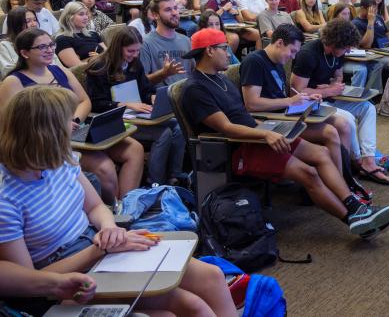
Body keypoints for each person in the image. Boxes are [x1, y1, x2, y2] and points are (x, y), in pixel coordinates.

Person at [0, 86, 235, 316]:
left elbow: (95, 207)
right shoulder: (6, 197)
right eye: (68, 121)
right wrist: (100, 249)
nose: (75, 127)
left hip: (98, 244)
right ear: (44, 133)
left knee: (211, 276)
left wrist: (110, 229)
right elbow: (29, 280)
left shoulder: (61, 160)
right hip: (70, 268)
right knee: (192, 306)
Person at [182, 28, 389, 235]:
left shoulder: (220, 79)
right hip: (241, 147)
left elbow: (242, 115)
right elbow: (226, 128)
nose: (229, 53)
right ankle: (354, 220)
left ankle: (355, 205)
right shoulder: (196, 89)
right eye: (224, 48)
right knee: (309, 173)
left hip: (258, 134)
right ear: (209, 51)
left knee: (321, 154)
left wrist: (269, 127)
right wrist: (265, 133)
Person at [0, 29, 144, 204]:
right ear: (24, 53)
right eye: (42, 46)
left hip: (77, 130)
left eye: (51, 45)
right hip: (48, 141)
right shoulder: (13, 82)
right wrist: (61, 125)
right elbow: (15, 124)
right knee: (104, 167)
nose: (49, 50)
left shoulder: (60, 71)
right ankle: (114, 209)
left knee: (134, 149)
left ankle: (128, 206)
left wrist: (74, 120)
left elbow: (85, 101)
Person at [291, 18, 389, 186]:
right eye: (345, 47)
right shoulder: (308, 54)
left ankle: (368, 160)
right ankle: (356, 161)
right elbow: (296, 91)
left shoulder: (337, 52)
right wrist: (327, 91)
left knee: (368, 108)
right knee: (347, 120)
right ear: (332, 43)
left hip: (328, 98)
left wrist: (333, 85)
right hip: (311, 104)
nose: (348, 51)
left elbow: (338, 76)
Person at [241, 24, 349, 176]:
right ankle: (342, 181)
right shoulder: (254, 62)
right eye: (292, 51)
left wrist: (304, 97)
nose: (293, 57)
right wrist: (290, 101)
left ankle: (343, 177)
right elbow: (251, 104)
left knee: (337, 125)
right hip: (269, 122)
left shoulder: (277, 62)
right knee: (330, 132)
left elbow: (279, 96)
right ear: (279, 43)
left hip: (284, 115)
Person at [86, 27, 185, 186]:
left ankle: (174, 176)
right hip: (116, 121)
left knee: (179, 127)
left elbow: (145, 89)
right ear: (118, 48)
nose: (134, 55)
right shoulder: (99, 67)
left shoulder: (134, 63)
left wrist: (152, 97)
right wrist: (125, 104)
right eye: (130, 51)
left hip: (136, 115)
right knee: (164, 133)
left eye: (137, 51)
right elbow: (96, 103)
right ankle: (155, 183)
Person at [139, 0, 194, 88]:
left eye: (175, 8)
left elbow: (193, 72)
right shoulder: (145, 43)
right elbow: (142, 82)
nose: (174, 13)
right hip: (164, 96)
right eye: (168, 10)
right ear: (155, 15)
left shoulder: (186, 40)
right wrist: (164, 73)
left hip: (188, 93)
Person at [0, 6, 63, 78]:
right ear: (16, 24)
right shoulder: (5, 46)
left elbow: (59, 66)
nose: (34, 24)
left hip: (53, 77)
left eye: (35, 20)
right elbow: (7, 71)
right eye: (28, 21)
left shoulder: (45, 42)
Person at [55, 2, 104, 68]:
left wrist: (99, 58)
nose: (86, 17)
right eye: (81, 14)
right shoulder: (62, 39)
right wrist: (96, 59)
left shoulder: (93, 34)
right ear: (69, 17)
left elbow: (109, 54)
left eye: (86, 14)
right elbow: (78, 68)